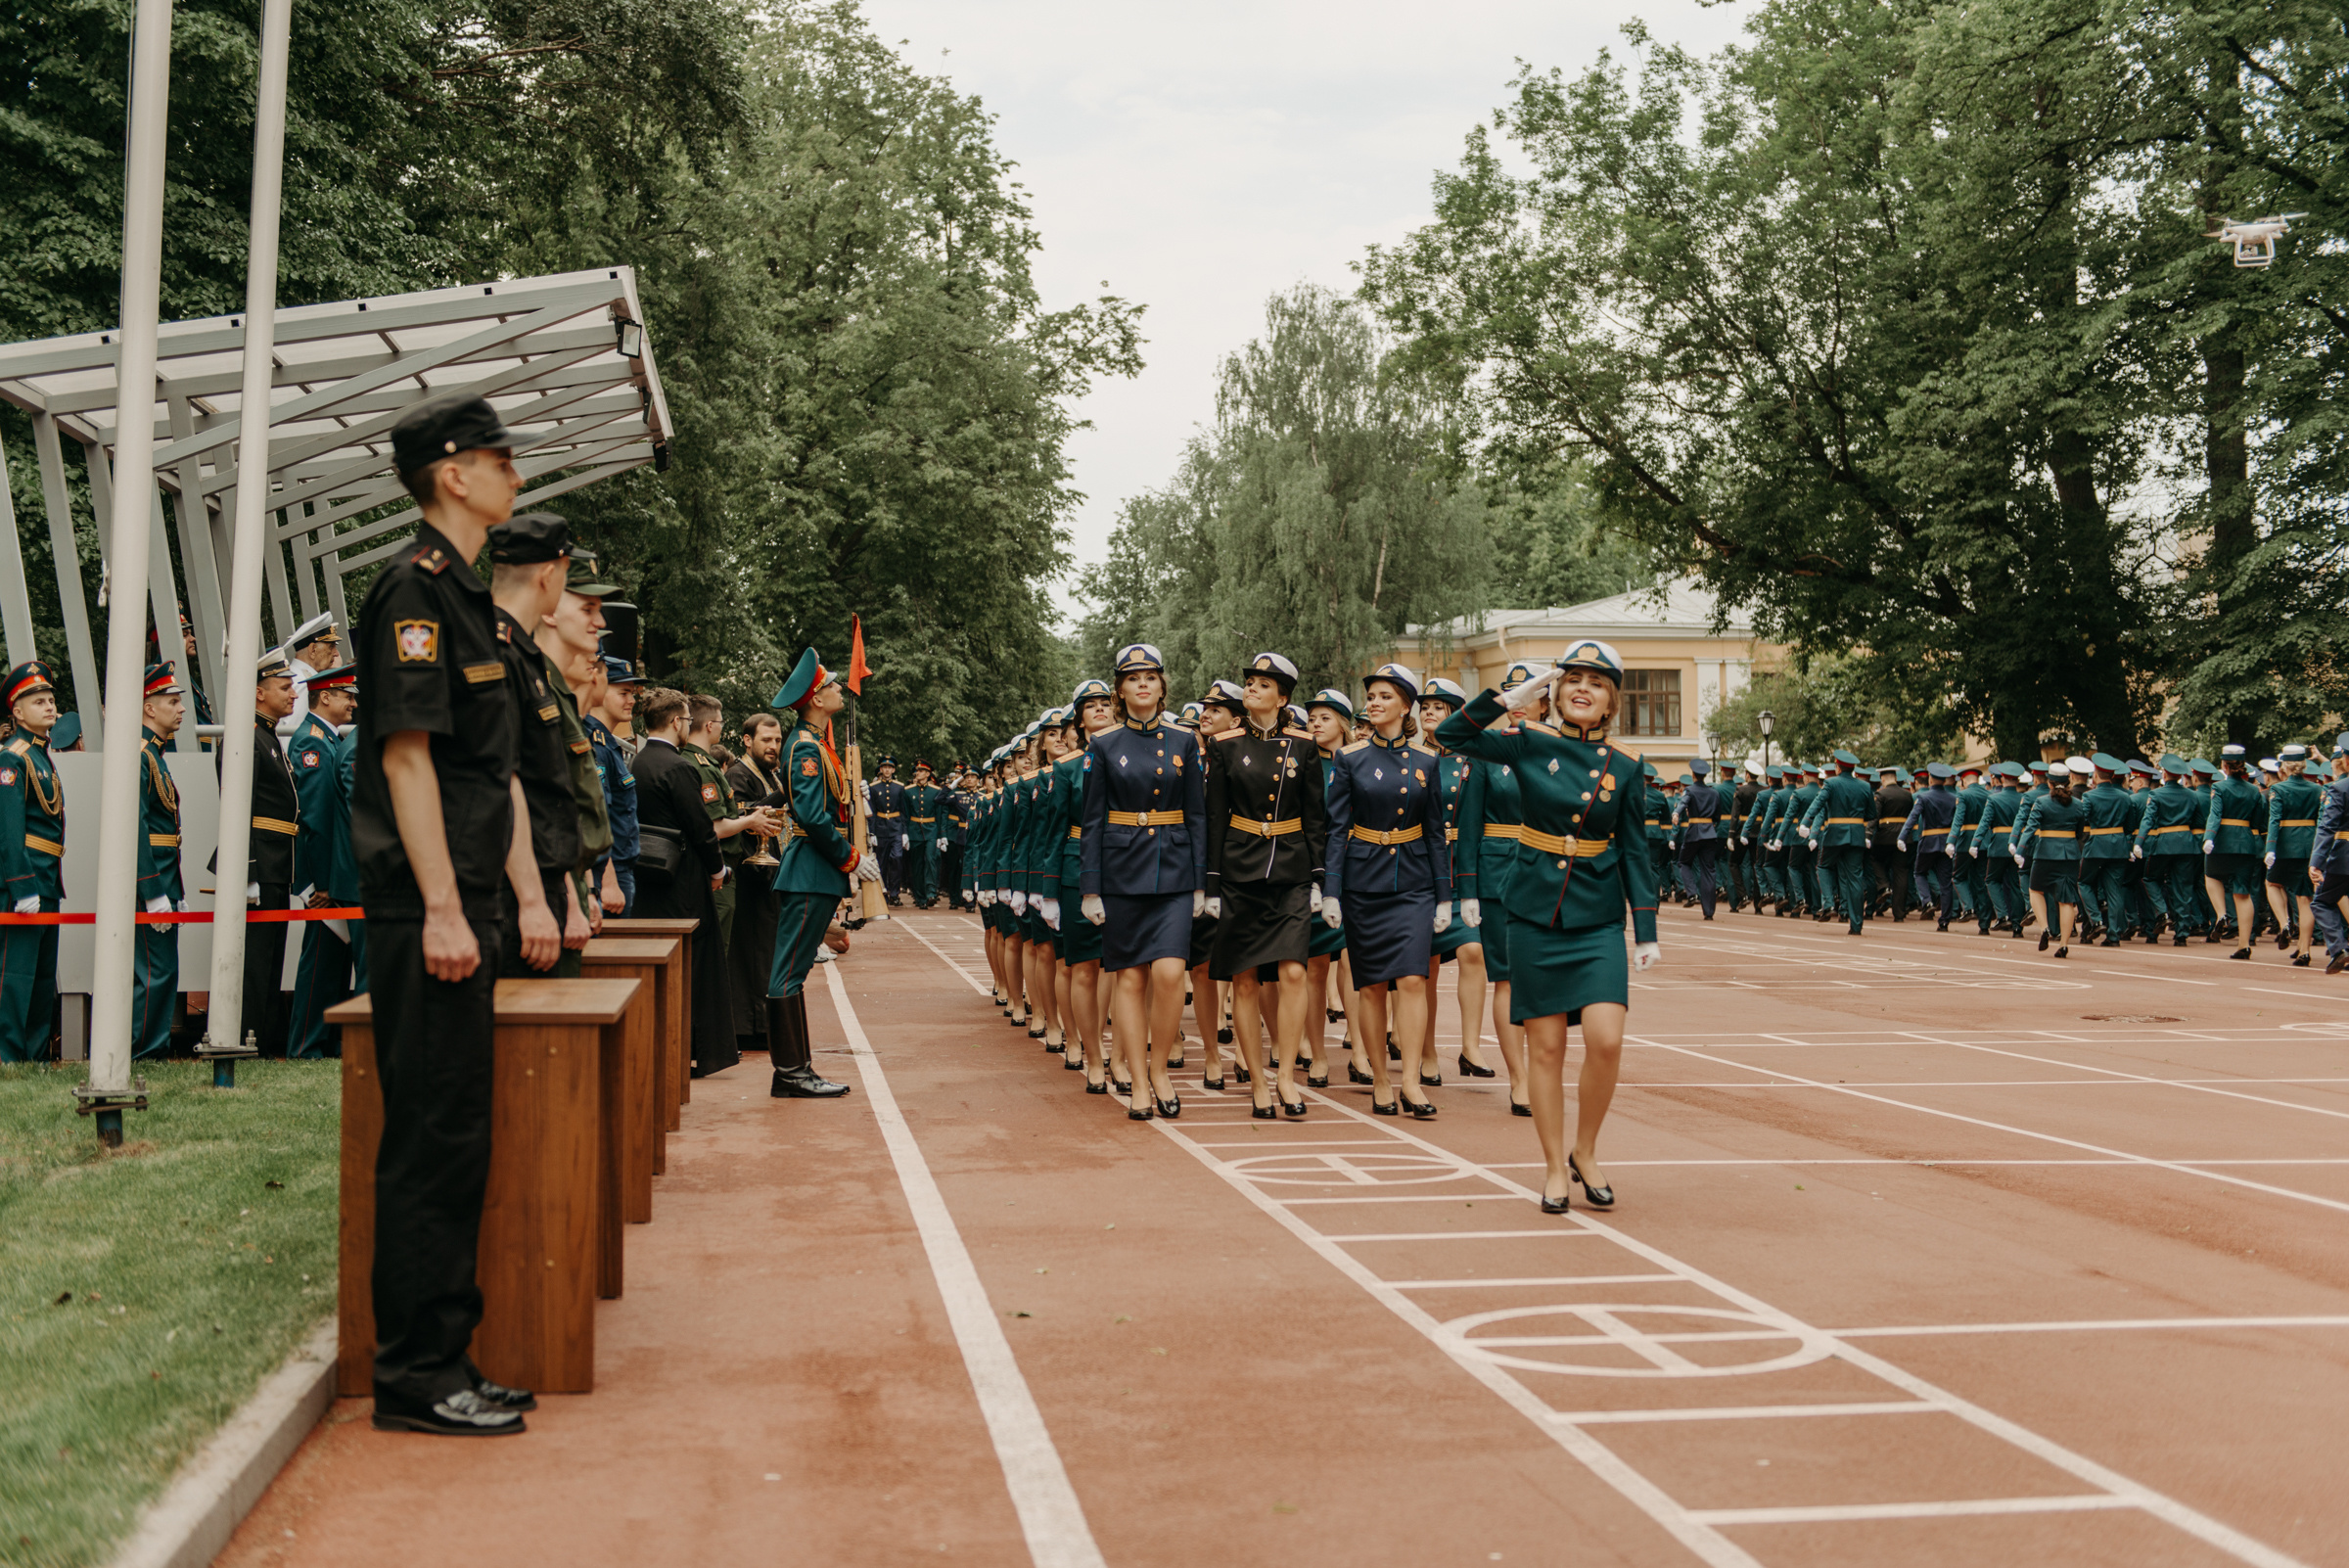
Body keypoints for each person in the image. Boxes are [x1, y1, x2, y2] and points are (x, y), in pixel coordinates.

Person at [357, 392, 539, 1436]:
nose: (517, 473)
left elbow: (491, 770)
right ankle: (415, 1376)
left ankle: (446, 1352)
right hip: (432, 909)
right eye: (501, 459)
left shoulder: (466, 598)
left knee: (458, 1134)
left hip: (466, 902)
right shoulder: (413, 594)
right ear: (453, 474)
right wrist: (439, 908)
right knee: (431, 1139)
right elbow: (407, 758)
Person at [1439, 641, 1657, 1215]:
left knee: (1607, 1040)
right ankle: (1556, 1165)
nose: (1582, 688)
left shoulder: (1628, 765)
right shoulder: (1531, 742)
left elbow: (1635, 849)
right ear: (1556, 694)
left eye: (1596, 682)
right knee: (1548, 1048)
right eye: (1571, 680)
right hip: (1534, 910)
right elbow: (1452, 738)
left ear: (1612, 700)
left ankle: (1587, 1149)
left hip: (1596, 917)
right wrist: (1511, 697)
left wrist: (1648, 929)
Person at [1080, 643, 1206, 1122]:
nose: (1143, 685)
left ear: (1162, 684)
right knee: (1130, 979)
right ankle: (1135, 1080)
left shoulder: (1183, 741)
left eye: (1150, 676)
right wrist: (1090, 887)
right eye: (1133, 678)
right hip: (1120, 872)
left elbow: (1196, 814)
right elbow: (1092, 820)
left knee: (1171, 974)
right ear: (1120, 691)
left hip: (1173, 871)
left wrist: (1200, 882)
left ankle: (1159, 1069)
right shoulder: (1104, 745)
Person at [1321, 663, 1450, 1120]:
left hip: (1414, 883)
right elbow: (1336, 830)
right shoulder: (1349, 758)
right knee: (1372, 985)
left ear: (1405, 706)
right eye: (1371, 695)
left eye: (1384, 696)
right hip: (1363, 882)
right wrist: (1331, 891)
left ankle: (1411, 1080)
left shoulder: (1428, 762)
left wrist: (1445, 896)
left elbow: (1435, 832)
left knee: (1414, 979)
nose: (1373, 703)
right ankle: (1380, 1078)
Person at [1204, 652, 1327, 1120]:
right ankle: (1257, 1080)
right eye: (1250, 683)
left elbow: (1316, 818)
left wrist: (1320, 879)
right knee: (1246, 979)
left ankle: (1287, 1075)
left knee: (1295, 972)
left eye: (1262, 684)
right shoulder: (1226, 745)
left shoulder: (1304, 745)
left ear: (1283, 696)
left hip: (1292, 870)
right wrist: (1211, 884)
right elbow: (1215, 817)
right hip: (1239, 871)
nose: (1251, 689)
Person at [635, 687, 770, 1078]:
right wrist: (718, 870)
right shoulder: (678, 767)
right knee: (696, 967)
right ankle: (693, 1048)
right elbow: (701, 828)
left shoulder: (641, 762)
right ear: (677, 722)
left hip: (650, 876)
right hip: (683, 880)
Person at [484, 515, 593, 981]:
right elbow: (499, 781)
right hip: (511, 895)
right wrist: (531, 901)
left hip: (538, 885)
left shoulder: (523, 655)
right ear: (549, 574)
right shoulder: (496, 651)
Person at [763, 647, 869, 1097]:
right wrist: (850, 857)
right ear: (814, 698)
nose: (838, 688)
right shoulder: (805, 748)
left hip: (815, 871)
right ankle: (790, 1073)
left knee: (795, 970)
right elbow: (810, 814)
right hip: (810, 869)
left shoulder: (818, 743)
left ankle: (797, 1069)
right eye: (830, 685)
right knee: (788, 971)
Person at [1452, 664, 1539, 1116]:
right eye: (1512, 699)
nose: (1519, 707)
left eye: (1528, 698)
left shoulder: (1560, 752)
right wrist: (1467, 888)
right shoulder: (1489, 755)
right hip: (1499, 874)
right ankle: (1520, 1080)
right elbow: (1468, 825)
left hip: (1550, 872)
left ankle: (1540, 1072)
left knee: (1544, 979)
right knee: (1506, 977)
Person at [221, 649, 303, 1055]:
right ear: (258, 692)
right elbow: (238, 810)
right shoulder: (246, 739)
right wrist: (248, 871)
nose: (293, 694)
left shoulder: (265, 734)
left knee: (271, 960)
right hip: (261, 863)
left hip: (277, 863)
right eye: (284, 687)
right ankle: (249, 1040)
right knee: (256, 962)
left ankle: (267, 1042)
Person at [1416, 677, 1494, 1082]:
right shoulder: (1413, 757)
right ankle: (1427, 1052)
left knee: (1473, 953)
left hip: (1462, 869)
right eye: (1424, 706)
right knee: (1424, 966)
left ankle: (1470, 1046)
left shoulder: (1472, 760)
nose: (1428, 712)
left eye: (1439, 707)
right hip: (1423, 873)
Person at [288, 663, 362, 1058]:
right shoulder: (312, 742)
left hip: (334, 872)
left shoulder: (328, 739)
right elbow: (316, 819)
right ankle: (306, 1044)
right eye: (346, 694)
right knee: (319, 965)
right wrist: (321, 883)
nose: (353, 701)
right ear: (325, 697)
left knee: (332, 964)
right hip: (324, 877)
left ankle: (323, 1041)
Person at [0, 662, 65, 1062]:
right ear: (17, 712)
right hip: (24, 884)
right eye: (38, 702)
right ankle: (8, 1056)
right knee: (15, 977)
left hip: (48, 880)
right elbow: (9, 831)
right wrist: (22, 885)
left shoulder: (41, 755)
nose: (49, 707)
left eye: (51, 700)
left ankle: (35, 1056)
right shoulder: (12, 758)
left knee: (42, 979)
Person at [1057, 686, 1117, 1089]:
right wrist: (1044, 889)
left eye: (1105, 704)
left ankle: (1122, 1057)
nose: (1098, 710)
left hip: (1127, 864)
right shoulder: (1067, 768)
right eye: (1089, 707)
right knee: (1083, 968)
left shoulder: (1138, 753)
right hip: (1078, 866)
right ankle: (1091, 1055)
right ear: (1079, 720)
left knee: (1125, 967)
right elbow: (1053, 831)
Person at [133, 664, 188, 1060]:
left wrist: (176, 891)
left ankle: (155, 1045)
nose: (181, 708)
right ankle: (144, 1050)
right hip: (149, 883)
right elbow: (135, 829)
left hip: (166, 879)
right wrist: (152, 891)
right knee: (154, 971)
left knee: (163, 970)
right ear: (149, 709)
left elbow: (166, 832)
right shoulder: (140, 755)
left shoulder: (155, 754)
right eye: (172, 701)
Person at [726, 713, 787, 1053]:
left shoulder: (769, 774)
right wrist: (781, 797)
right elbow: (742, 815)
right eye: (766, 740)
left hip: (771, 876)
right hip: (752, 877)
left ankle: (763, 1023)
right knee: (752, 953)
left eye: (777, 740)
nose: (773, 746)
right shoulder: (739, 773)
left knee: (767, 951)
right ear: (748, 740)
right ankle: (751, 1027)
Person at [585, 657, 641, 915]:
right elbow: (597, 816)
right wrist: (608, 881)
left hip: (620, 869)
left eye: (633, 693)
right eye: (623, 692)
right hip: (607, 871)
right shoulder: (595, 744)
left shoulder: (608, 743)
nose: (632, 700)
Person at [2014, 759, 2087, 956]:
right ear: (2069, 780)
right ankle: (2063, 944)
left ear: (2049, 782)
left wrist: (2020, 850)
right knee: (2066, 901)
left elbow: (2030, 829)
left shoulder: (2041, 802)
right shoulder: (2079, 804)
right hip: (2069, 854)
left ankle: (2044, 927)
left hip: (2045, 853)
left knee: (2035, 890)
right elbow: (2080, 832)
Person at [2203, 745, 2268, 960]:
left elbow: (2215, 815)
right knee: (2243, 893)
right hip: (2247, 844)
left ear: (2224, 765)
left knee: (2211, 877)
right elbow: (2259, 819)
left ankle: (2222, 915)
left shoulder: (2219, 787)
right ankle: (2244, 944)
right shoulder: (2254, 790)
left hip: (2222, 842)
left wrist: (2209, 837)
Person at [2262, 744, 2322, 966]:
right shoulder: (2317, 789)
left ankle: (2285, 922)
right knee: (2305, 897)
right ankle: (2304, 949)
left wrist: (2270, 848)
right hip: (2310, 847)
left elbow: (2274, 821)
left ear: (2284, 767)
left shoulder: (2279, 790)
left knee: (2272, 884)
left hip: (2286, 846)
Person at [1894, 761, 1956, 931]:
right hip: (1946, 843)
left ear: (1930, 779)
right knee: (1945, 883)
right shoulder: (1953, 798)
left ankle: (1927, 901)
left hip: (1928, 841)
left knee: (1919, 872)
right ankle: (1944, 920)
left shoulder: (1924, 797)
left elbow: (1913, 818)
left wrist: (1902, 837)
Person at [2307, 734, 2349, 975]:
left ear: (2345, 759)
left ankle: (2339, 949)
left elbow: (2327, 827)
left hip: (2344, 858)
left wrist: (2316, 862)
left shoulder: (2339, 788)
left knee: (2322, 902)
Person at [1676, 758, 1725, 919]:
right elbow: (1717, 817)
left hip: (1694, 833)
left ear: (1693, 775)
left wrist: (1676, 813)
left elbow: (1683, 803)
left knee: (1684, 862)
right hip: (1710, 833)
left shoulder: (1690, 790)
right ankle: (1709, 912)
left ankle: (1692, 893)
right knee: (1709, 871)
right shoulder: (1714, 792)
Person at [868, 756, 908, 905]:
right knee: (881, 862)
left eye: (889, 767)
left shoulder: (899, 787)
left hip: (896, 826)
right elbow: (871, 811)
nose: (886, 770)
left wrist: (904, 832)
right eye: (884, 767)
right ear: (881, 769)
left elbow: (903, 810)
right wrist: (871, 832)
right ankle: (882, 891)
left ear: (893, 770)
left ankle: (895, 892)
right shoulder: (874, 787)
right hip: (880, 827)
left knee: (897, 858)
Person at [903, 761, 944, 907]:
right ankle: (920, 897)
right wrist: (905, 833)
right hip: (914, 830)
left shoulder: (935, 791)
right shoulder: (908, 791)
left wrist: (940, 835)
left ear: (928, 774)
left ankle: (931, 892)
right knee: (917, 865)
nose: (918, 773)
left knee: (930, 859)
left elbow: (939, 814)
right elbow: (906, 814)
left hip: (931, 829)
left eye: (921, 771)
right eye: (917, 770)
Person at [943, 766, 972, 908]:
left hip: (968, 833)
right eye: (959, 775)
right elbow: (941, 805)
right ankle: (954, 898)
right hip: (954, 833)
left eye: (963, 775)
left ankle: (965, 898)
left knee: (965, 868)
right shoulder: (955, 793)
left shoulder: (977, 794)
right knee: (953, 867)